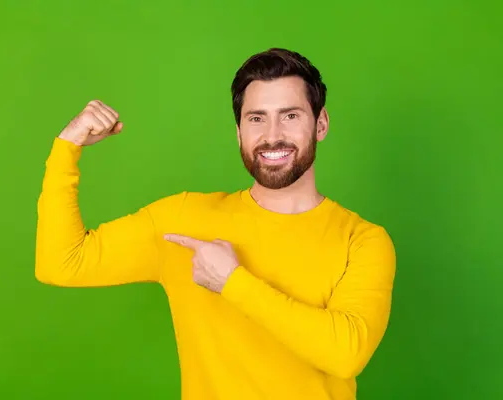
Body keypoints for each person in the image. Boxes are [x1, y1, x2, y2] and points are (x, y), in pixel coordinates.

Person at [35, 48, 396, 400]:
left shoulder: (363, 241)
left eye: (290, 116)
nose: (272, 135)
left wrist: (232, 282)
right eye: (257, 118)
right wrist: (67, 147)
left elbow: (345, 354)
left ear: (320, 124)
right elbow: (61, 263)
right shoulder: (185, 219)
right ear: (238, 132)